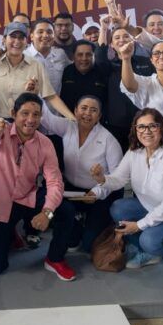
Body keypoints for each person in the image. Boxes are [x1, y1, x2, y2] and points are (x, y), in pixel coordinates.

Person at [90, 108, 163, 283]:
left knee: (149, 239)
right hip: (154, 210)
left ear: (161, 128)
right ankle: (151, 253)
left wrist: (139, 225)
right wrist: (101, 178)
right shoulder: (135, 152)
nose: (146, 131)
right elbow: (118, 179)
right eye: (141, 127)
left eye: (152, 126)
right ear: (135, 130)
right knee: (118, 208)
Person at [0, 93, 77, 279]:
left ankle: (55, 258)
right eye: (25, 113)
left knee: (66, 210)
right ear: (13, 113)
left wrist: (47, 212)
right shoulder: (0, 131)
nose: (31, 119)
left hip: (27, 197)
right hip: (0, 205)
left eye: (36, 114)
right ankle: (11, 233)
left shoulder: (45, 143)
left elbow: (54, 181)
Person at [40, 95, 123, 251]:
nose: (87, 113)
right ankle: (75, 221)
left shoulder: (108, 140)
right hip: (72, 190)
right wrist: (37, 94)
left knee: (88, 246)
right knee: (68, 236)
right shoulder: (67, 126)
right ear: (75, 111)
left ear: (99, 116)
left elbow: (117, 178)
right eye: (83, 108)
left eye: (93, 110)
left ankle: (101, 223)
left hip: (99, 193)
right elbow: (46, 119)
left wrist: (97, 192)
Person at [0, 22, 75, 120]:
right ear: (4, 40)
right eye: (13, 37)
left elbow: (50, 96)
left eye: (21, 38)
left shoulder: (35, 65)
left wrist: (72, 119)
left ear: (26, 42)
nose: (17, 41)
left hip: (26, 123)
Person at [95, 19, 155, 150]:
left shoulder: (146, 62)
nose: (122, 39)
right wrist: (104, 29)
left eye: (126, 36)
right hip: (117, 125)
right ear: (112, 45)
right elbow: (99, 57)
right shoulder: (109, 66)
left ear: (133, 40)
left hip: (145, 123)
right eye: (117, 38)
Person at [26, 18, 71, 95]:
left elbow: (73, 70)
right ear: (32, 36)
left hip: (57, 102)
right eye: (40, 32)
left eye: (49, 32)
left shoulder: (60, 54)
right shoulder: (22, 56)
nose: (45, 35)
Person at [60, 40, 106, 112]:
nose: (84, 58)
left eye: (88, 54)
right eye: (80, 55)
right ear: (73, 56)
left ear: (94, 55)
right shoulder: (66, 72)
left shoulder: (103, 72)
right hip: (68, 117)